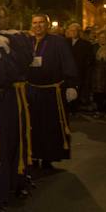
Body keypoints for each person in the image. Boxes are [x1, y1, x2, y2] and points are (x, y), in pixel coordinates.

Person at [27, 14, 78, 170]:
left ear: (47, 25)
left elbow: (67, 62)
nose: (38, 26)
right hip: (31, 91)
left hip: (52, 92)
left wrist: (71, 84)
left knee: (51, 126)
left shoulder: (58, 42)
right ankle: (33, 157)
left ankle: (49, 158)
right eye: (35, 23)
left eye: (41, 22)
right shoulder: (27, 42)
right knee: (33, 126)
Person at [65, 23, 94, 111]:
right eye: (71, 30)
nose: (72, 32)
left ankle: (75, 107)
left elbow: (89, 59)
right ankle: (68, 107)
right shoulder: (65, 42)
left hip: (79, 70)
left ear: (79, 32)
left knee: (77, 89)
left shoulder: (86, 44)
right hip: (67, 70)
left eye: (74, 30)